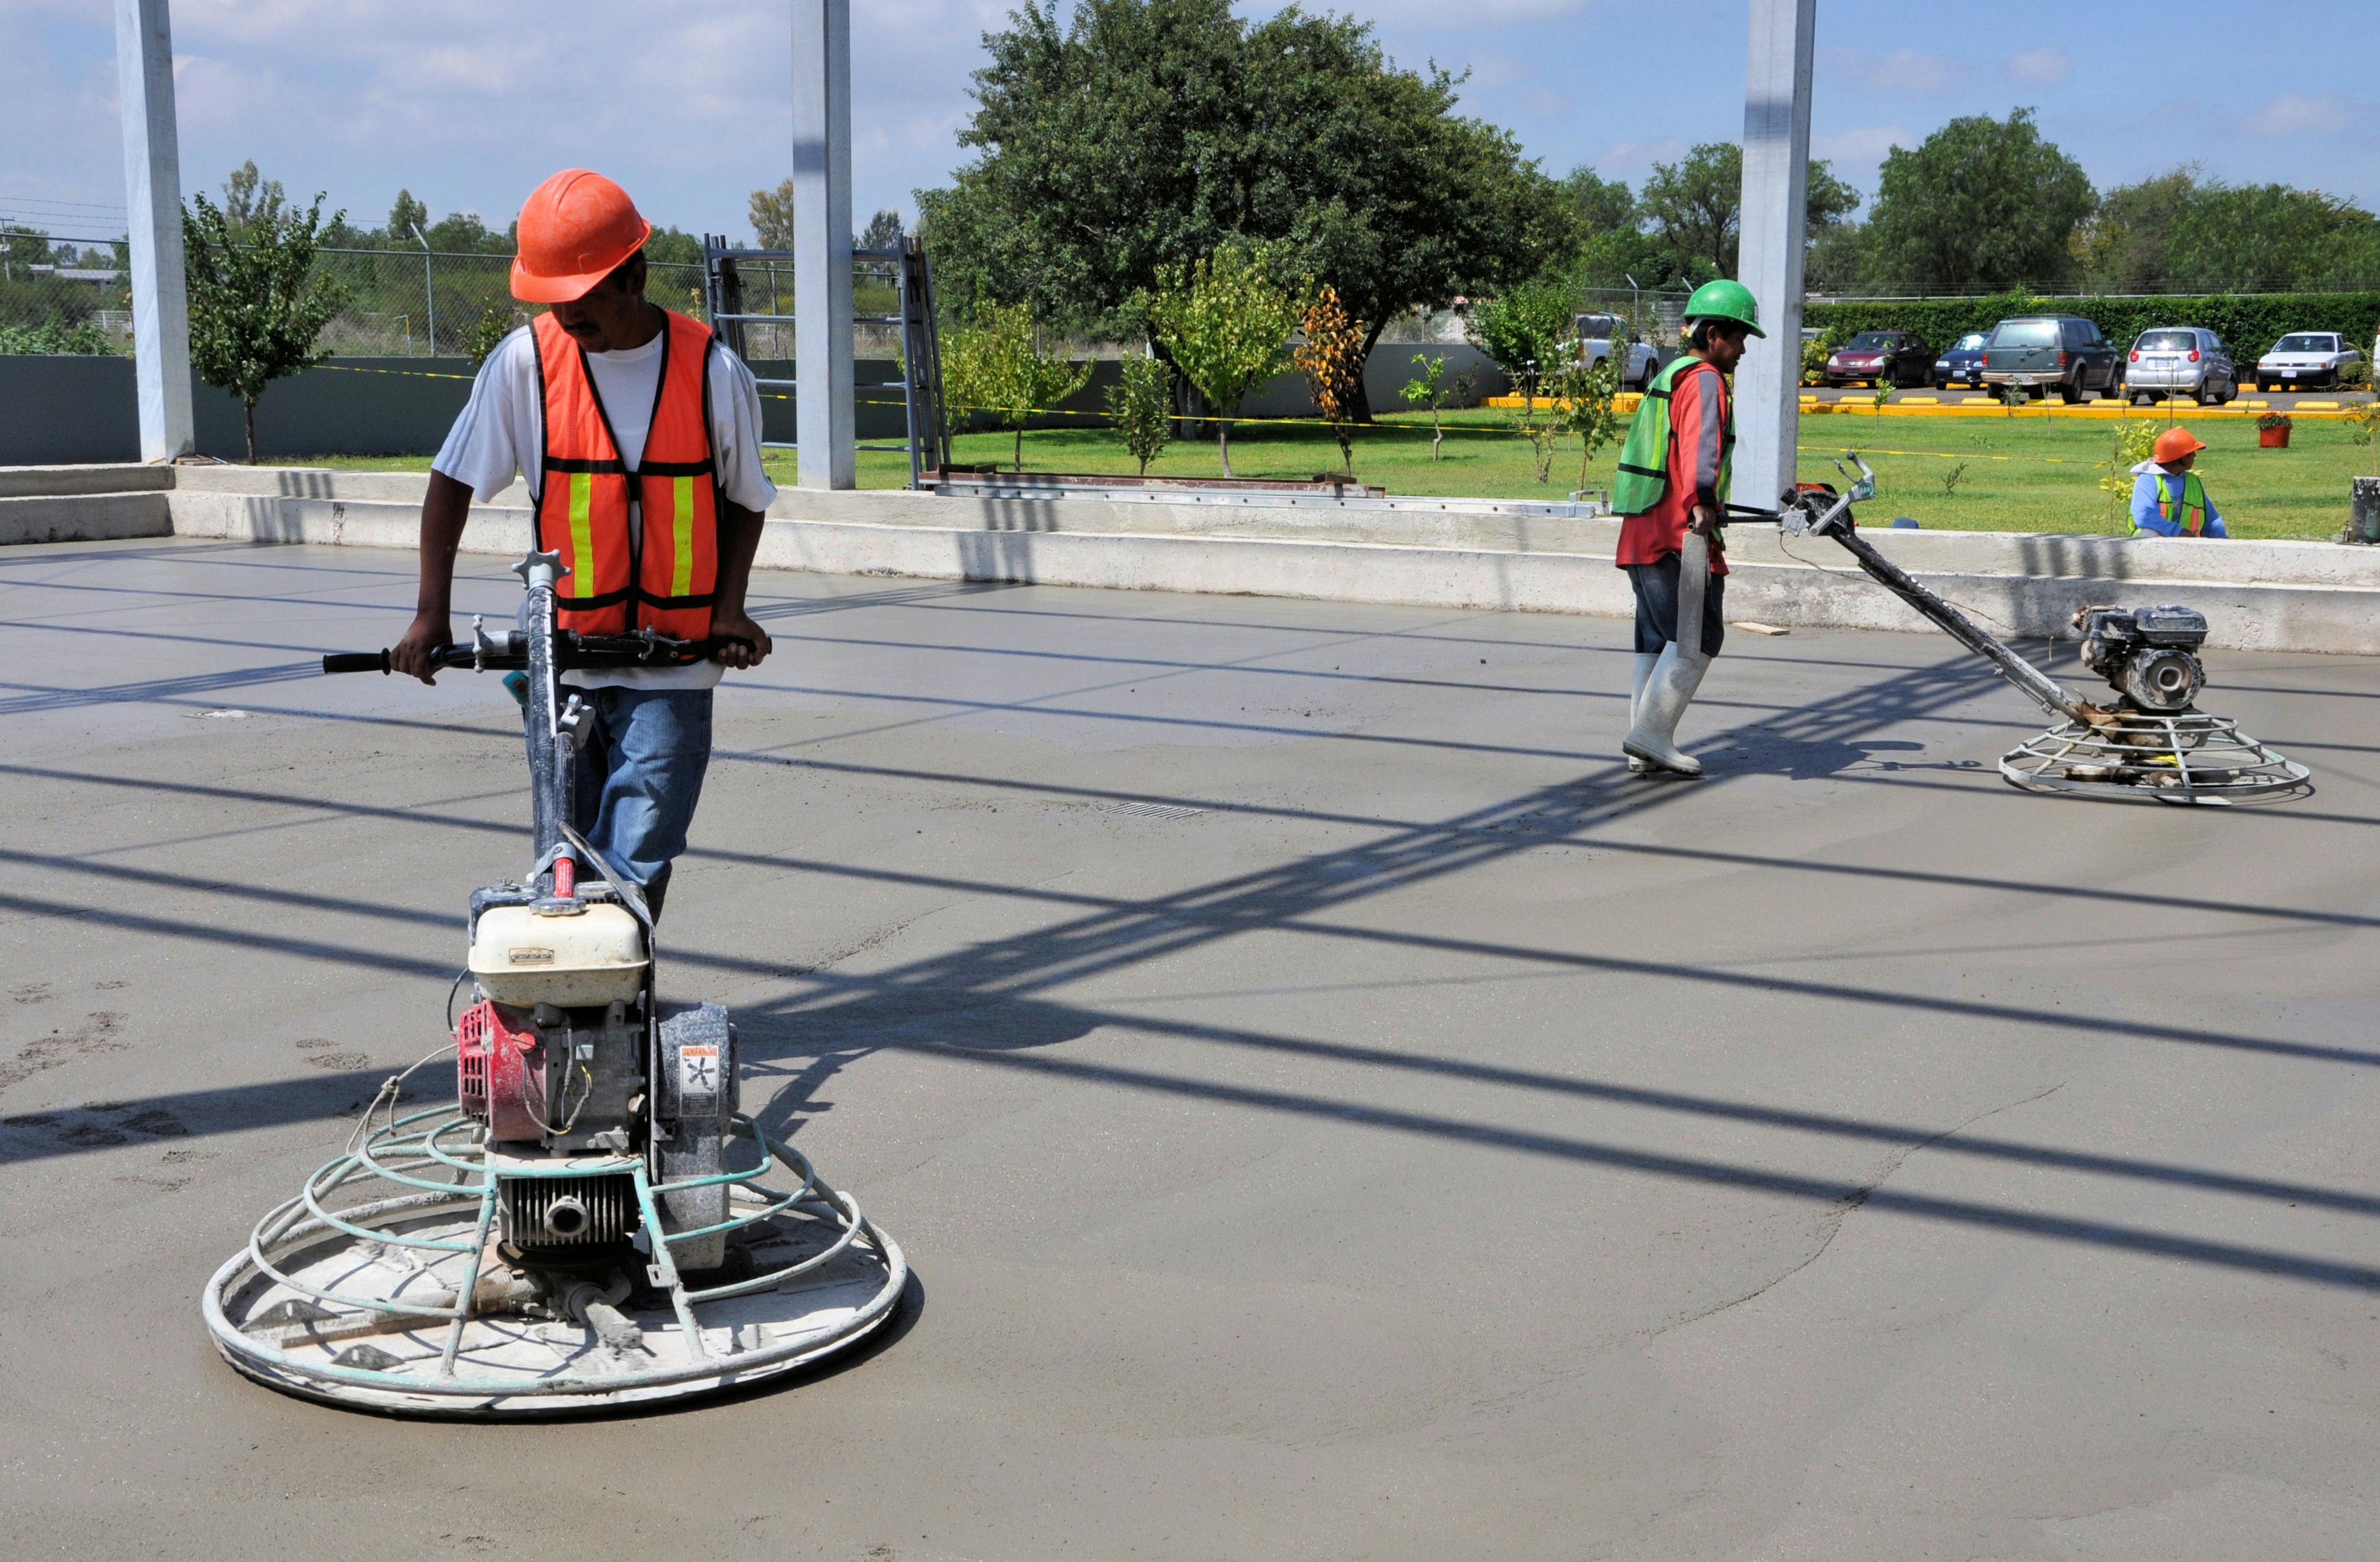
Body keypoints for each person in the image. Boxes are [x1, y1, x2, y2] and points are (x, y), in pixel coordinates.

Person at [392, 168, 777, 918]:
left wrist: (729, 611)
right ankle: (581, 1009)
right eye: (553, 300)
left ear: (634, 274)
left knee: (638, 847)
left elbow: (744, 499)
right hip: (564, 659)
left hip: (674, 665)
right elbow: (451, 484)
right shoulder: (526, 364)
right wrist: (428, 615)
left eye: (584, 298)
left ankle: (610, 1003)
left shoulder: (712, 370)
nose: (567, 316)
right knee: (564, 851)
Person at [1611, 278, 1764, 777]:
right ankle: (1652, 734)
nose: (1741, 350)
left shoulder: (1671, 374)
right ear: (1714, 333)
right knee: (1700, 632)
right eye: (1738, 338)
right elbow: (1701, 445)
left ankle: (1643, 740)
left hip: (1643, 528)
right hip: (1676, 533)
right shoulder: (1705, 381)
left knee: (1658, 636)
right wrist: (1701, 503)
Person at [2128, 426, 2229, 538]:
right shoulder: (2148, 480)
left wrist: (2225, 544)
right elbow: (2144, 517)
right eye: (2190, 454)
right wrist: (2177, 531)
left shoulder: (2193, 481)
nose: (2195, 456)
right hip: (2156, 547)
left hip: (2188, 546)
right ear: (2179, 457)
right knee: (2149, 534)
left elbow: (2212, 520)